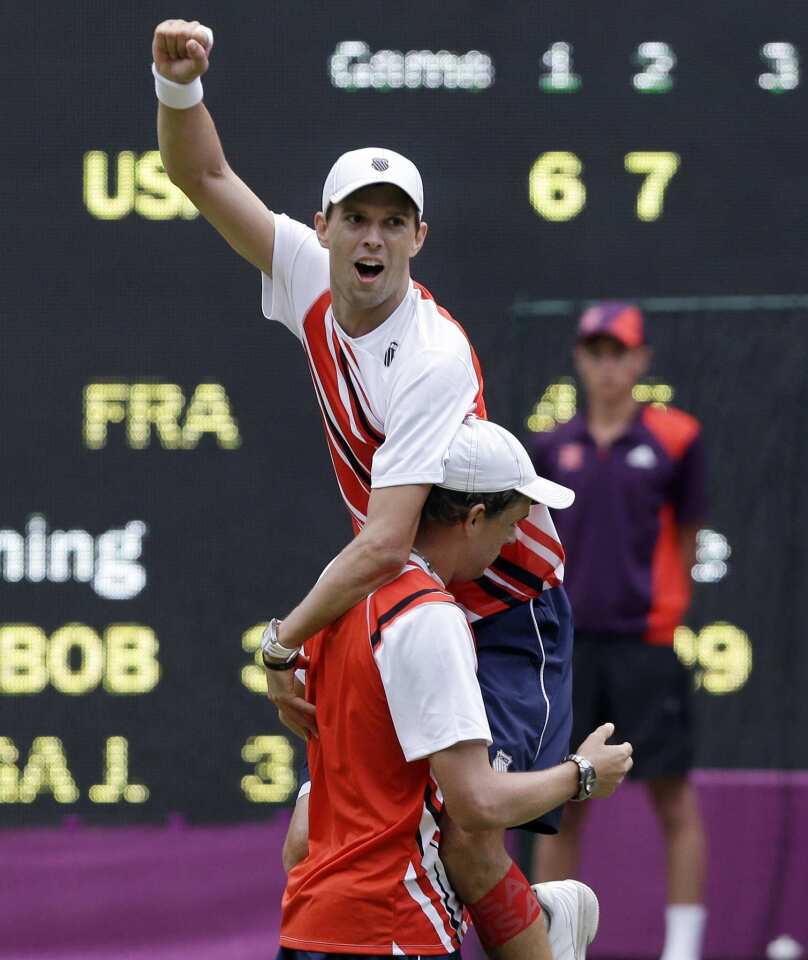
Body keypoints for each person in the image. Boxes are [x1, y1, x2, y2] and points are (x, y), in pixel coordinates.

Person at [152, 20, 576, 957]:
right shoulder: (306, 277)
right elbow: (204, 178)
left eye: (394, 221)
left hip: (501, 603)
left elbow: (387, 540)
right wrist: (176, 87)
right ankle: (541, 924)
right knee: (316, 837)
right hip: (404, 601)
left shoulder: (430, 357)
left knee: (463, 835)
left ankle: (545, 935)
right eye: (357, 218)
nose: (373, 238)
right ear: (324, 228)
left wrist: (281, 644)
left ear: (419, 236)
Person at [279, 416, 634, 959]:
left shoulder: (341, 588)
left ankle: (537, 920)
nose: (517, 537)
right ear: (472, 518)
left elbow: (305, 835)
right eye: (511, 521)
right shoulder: (429, 617)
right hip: (394, 928)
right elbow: (475, 802)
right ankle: (540, 921)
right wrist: (582, 774)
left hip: (312, 922)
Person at [529, 302, 708, 960]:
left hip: (646, 649)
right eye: (596, 352)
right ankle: (547, 946)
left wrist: (664, 609)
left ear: (640, 361)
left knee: (672, 798)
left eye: (619, 352)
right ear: (581, 359)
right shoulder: (550, 446)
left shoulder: (676, 438)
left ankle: (683, 950)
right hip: (570, 652)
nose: (607, 365)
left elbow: (688, 535)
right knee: (560, 797)